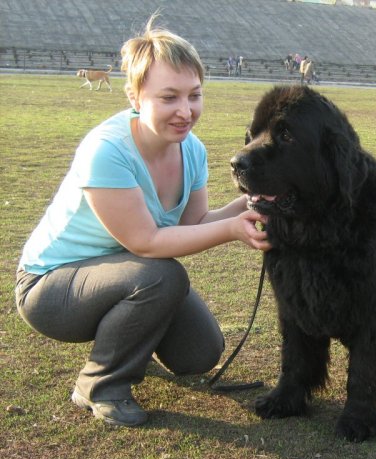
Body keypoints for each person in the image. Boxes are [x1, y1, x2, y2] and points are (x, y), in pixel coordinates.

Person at [14, 14, 270, 427]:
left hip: (124, 276)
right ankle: (98, 386)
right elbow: (147, 243)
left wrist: (252, 204)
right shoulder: (107, 150)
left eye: (194, 95)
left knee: (199, 354)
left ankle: (127, 338)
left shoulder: (192, 150)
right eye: (168, 97)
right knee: (162, 276)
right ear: (134, 97)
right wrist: (228, 231)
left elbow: (195, 221)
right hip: (50, 288)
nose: (185, 111)